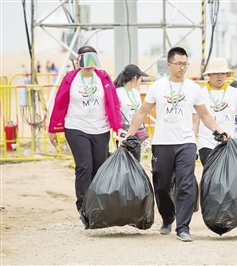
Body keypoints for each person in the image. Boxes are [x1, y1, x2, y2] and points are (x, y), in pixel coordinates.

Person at [124, 47, 227, 242]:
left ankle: (183, 227)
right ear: (169, 65)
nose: (182, 67)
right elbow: (141, 113)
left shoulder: (193, 88)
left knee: (185, 184)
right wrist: (129, 135)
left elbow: (205, 114)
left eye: (185, 64)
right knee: (161, 185)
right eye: (179, 64)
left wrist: (219, 131)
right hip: (162, 143)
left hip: (186, 143)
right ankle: (168, 217)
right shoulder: (157, 87)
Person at [48, 45, 123, 213]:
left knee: (99, 167)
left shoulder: (103, 77)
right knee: (84, 166)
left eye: (93, 60)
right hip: (76, 127)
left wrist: (118, 127)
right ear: (78, 61)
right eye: (86, 60)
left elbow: (113, 103)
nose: (90, 65)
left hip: (100, 128)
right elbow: (60, 103)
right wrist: (53, 128)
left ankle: (98, 203)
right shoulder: (70, 78)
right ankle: (83, 207)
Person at [194, 58, 237, 165]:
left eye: (222, 73)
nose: (220, 76)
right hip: (207, 143)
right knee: (211, 176)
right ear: (209, 75)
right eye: (216, 73)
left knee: (227, 177)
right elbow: (195, 120)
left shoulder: (234, 93)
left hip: (228, 143)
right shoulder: (201, 94)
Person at [113, 64, 148, 161]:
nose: (141, 80)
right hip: (123, 132)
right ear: (135, 78)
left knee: (136, 162)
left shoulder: (136, 93)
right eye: (141, 77)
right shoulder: (117, 92)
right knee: (124, 161)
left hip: (136, 132)